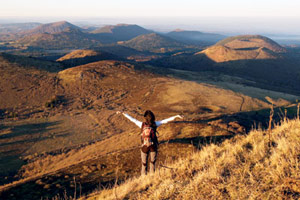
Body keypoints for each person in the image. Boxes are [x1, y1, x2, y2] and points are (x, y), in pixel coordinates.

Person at [116, 110, 183, 175]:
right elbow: (165, 120)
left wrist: (123, 113)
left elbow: (132, 119)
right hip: (153, 146)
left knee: (144, 164)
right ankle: (152, 177)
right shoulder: (155, 124)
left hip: (144, 146)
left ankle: (143, 178)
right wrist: (176, 116)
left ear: (145, 118)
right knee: (152, 163)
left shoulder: (141, 124)